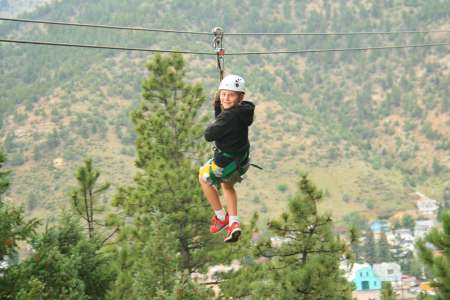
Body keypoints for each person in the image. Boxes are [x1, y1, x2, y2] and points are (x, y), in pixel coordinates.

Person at [198, 74, 255, 243]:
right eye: (223, 94)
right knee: (227, 186)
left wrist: (219, 106)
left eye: (231, 95)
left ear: (240, 97)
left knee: (203, 176)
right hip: (241, 161)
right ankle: (234, 223)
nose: (226, 98)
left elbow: (209, 134)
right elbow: (223, 119)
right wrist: (220, 104)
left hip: (225, 163)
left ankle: (221, 216)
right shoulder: (243, 111)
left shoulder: (228, 117)